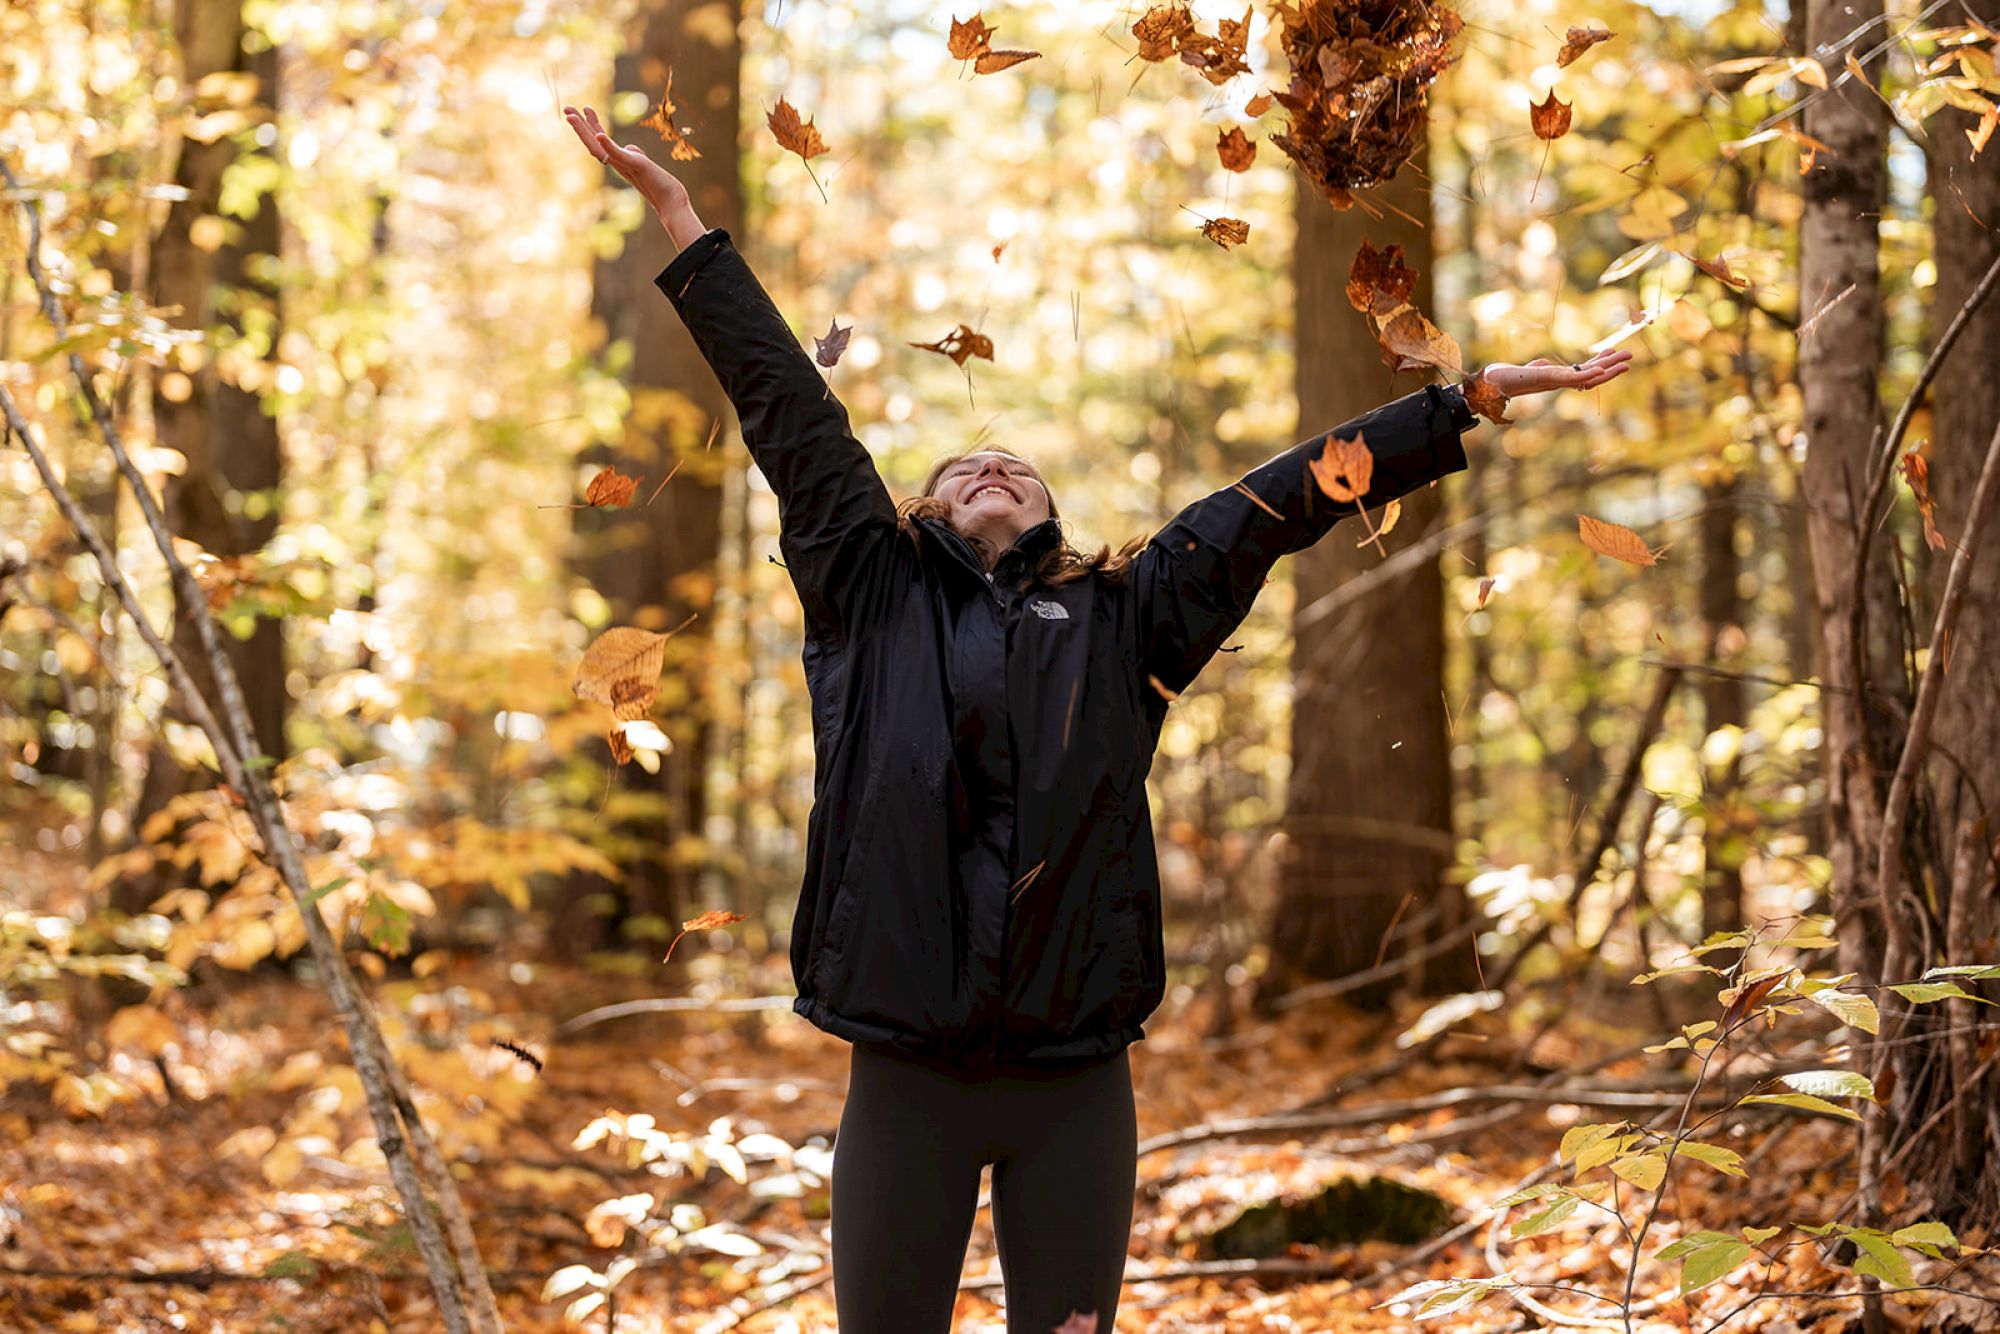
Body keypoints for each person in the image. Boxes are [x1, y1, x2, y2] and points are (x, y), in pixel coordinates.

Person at [564, 104, 1631, 1333]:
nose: (991, 465)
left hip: (1076, 1078)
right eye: (965, 465)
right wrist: (685, 225)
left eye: (1016, 463)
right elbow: (794, 420)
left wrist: (1467, 399)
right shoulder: (868, 589)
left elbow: (1278, 501)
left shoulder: (1132, 612)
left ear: (1054, 512)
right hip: (903, 1070)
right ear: (920, 506)